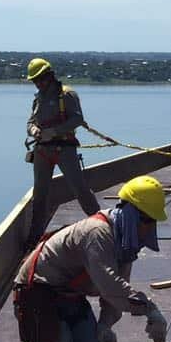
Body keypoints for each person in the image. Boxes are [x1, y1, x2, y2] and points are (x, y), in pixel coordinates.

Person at [12, 176, 169, 342]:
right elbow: (110, 285)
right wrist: (149, 309)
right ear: (131, 213)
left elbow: (116, 291)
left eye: (153, 221)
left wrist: (105, 324)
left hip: (70, 296)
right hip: (39, 295)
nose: (149, 227)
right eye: (146, 220)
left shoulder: (125, 243)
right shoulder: (97, 234)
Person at [24, 58, 101, 248]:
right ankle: (34, 237)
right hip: (42, 151)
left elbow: (77, 119)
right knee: (40, 195)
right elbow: (31, 121)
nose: (38, 83)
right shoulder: (38, 98)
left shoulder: (66, 95)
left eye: (41, 79)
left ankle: (101, 226)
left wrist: (54, 131)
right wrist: (34, 130)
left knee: (80, 189)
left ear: (50, 76)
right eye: (35, 80)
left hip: (64, 150)